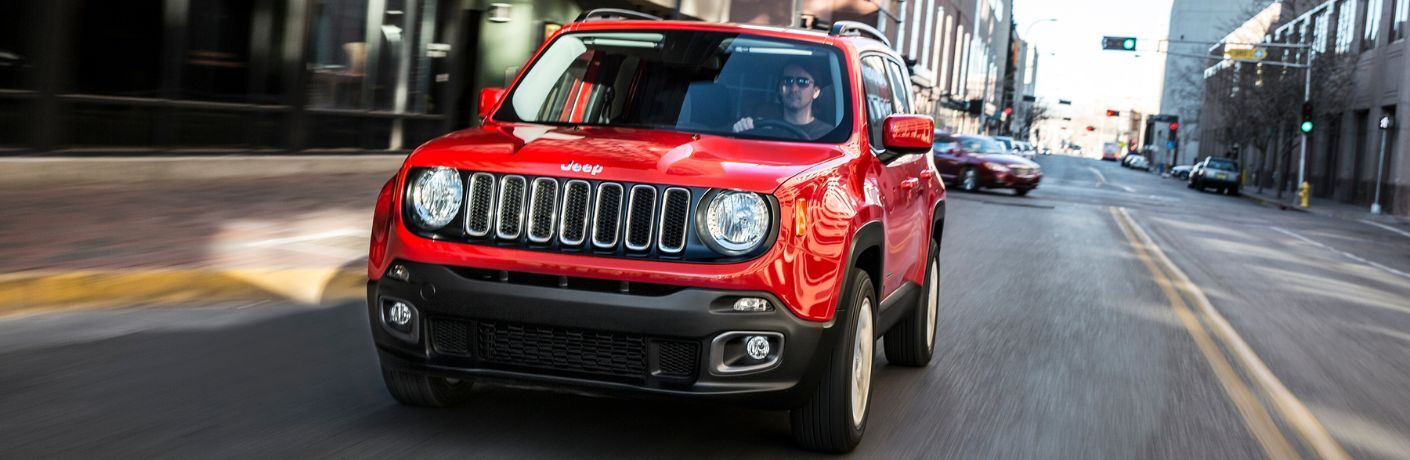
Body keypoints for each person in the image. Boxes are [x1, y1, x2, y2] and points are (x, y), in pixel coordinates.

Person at [731, 62, 833, 139]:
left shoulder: (829, 135)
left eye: (802, 82)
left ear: (816, 91)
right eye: (788, 81)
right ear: (780, 88)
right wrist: (739, 131)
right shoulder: (761, 127)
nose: (793, 89)